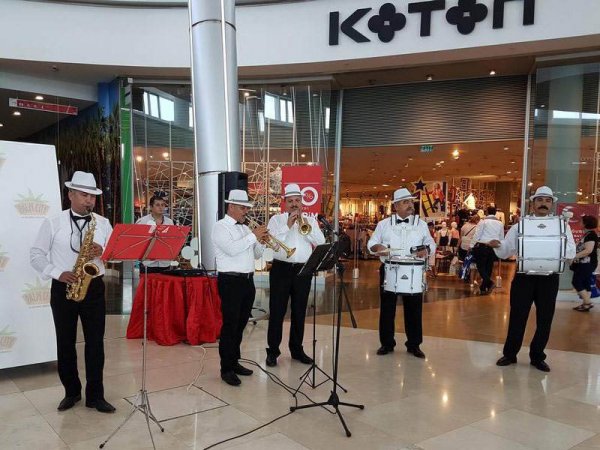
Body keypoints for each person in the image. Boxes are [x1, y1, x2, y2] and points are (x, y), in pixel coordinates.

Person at [30, 171, 115, 413]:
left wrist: (103, 250)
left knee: (95, 343)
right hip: (63, 286)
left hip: (94, 287)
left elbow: (114, 253)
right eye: (84, 195)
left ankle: (95, 396)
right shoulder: (53, 222)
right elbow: (36, 254)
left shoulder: (103, 223)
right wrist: (57, 273)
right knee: (65, 343)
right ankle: (71, 392)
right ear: (70, 195)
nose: (89, 201)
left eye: (93, 196)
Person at [490, 186, 575, 372]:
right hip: (523, 278)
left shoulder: (562, 226)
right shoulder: (519, 225)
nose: (543, 203)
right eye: (540, 200)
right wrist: (498, 245)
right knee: (517, 317)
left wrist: (557, 250)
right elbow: (507, 251)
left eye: (547, 200)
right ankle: (510, 354)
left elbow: (570, 251)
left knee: (545, 319)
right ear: (533, 204)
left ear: (552, 204)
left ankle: (537, 356)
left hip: (549, 279)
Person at [368, 188, 436, 359]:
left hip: (414, 271)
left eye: (410, 202)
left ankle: (414, 344)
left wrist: (426, 250)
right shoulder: (383, 224)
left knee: (414, 309)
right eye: (405, 202)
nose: (410, 205)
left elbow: (431, 244)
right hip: (390, 269)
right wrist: (378, 248)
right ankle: (386, 343)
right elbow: (372, 243)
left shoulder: (421, 224)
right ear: (396, 205)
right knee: (387, 309)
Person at [265, 183, 325, 367]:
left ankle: (297, 349)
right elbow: (271, 243)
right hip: (281, 269)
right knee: (277, 311)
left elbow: (321, 242)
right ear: (284, 203)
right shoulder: (276, 220)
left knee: (299, 311)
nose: (294, 204)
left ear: (302, 202)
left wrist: (304, 228)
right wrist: (288, 226)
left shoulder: (310, 221)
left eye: (297, 200)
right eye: (290, 201)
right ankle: (273, 351)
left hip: (303, 271)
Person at [212, 189, 268, 386]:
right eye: (243, 207)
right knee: (230, 325)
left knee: (241, 323)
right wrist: (254, 236)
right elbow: (232, 249)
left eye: (246, 207)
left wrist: (263, 241)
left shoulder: (245, 229)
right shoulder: (220, 227)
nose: (246, 211)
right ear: (231, 207)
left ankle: (234, 361)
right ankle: (225, 368)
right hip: (230, 281)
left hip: (247, 281)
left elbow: (256, 255)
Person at [470, 206, 504, 294]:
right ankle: (483, 287)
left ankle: (489, 283)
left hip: (482, 246)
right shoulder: (500, 223)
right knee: (488, 268)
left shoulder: (483, 222)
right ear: (495, 213)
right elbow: (501, 237)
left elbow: (477, 234)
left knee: (480, 267)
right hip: (493, 248)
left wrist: (471, 245)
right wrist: (500, 247)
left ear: (487, 212)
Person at [135, 195, 175, 273]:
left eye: (162, 205)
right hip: (147, 263)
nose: (161, 207)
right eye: (157, 205)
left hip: (164, 262)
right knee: (147, 284)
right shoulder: (142, 222)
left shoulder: (169, 222)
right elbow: (137, 242)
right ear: (151, 207)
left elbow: (172, 240)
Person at [571, 215, 598, 312]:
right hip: (584, 263)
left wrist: (575, 256)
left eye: (581, 221)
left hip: (587, 263)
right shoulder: (587, 235)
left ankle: (587, 302)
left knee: (576, 281)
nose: (579, 223)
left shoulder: (591, 235)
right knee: (586, 282)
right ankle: (585, 305)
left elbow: (588, 250)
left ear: (585, 223)